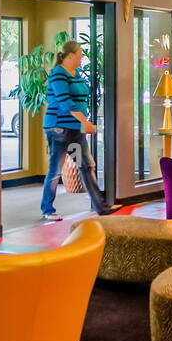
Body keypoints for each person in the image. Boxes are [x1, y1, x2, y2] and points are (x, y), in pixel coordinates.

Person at [41, 40, 115, 222]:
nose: (82, 56)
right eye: (80, 53)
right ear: (70, 55)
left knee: (86, 165)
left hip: (75, 129)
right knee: (55, 170)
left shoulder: (76, 74)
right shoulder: (58, 74)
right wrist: (85, 121)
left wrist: (83, 121)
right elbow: (65, 101)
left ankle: (101, 207)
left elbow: (82, 97)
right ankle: (47, 209)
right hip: (59, 128)